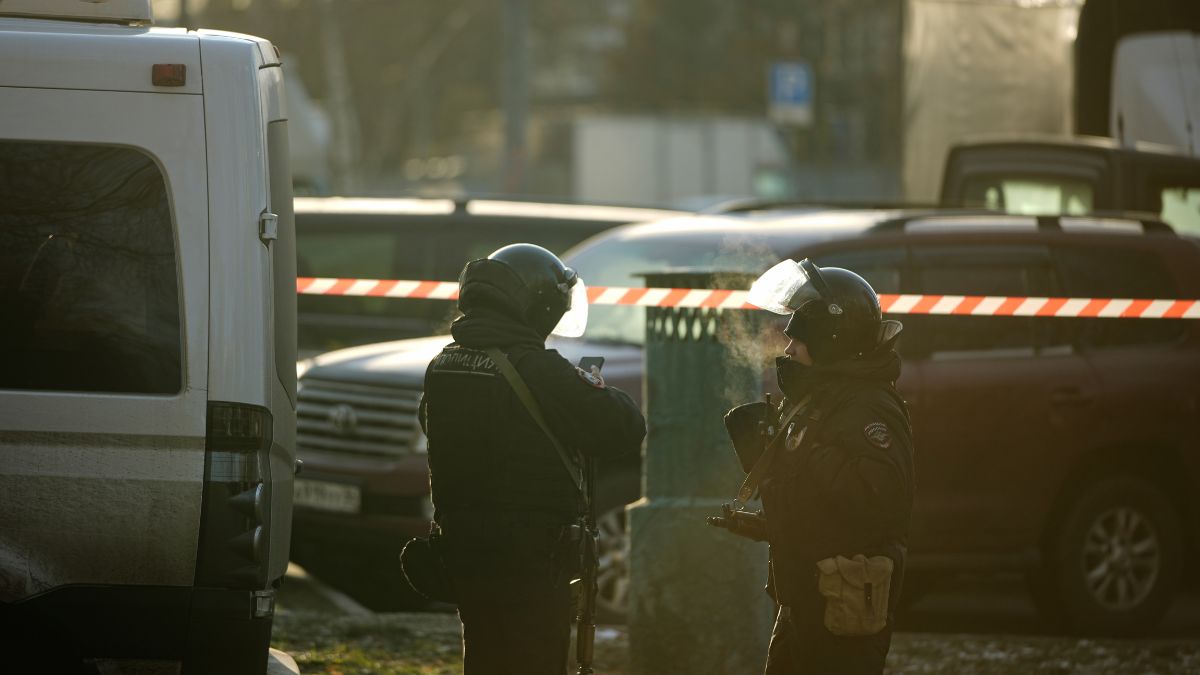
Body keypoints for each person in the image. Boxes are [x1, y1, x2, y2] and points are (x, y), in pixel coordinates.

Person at [418, 243, 646, 675]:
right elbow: (624, 426)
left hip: (464, 552)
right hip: (531, 561)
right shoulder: (537, 368)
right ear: (539, 308)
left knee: (484, 657)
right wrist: (591, 385)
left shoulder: (444, 364)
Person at [712, 258, 915, 675]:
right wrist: (768, 522)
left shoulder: (868, 405)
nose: (788, 350)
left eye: (799, 342)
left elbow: (879, 502)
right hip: (805, 597)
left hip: (842, 603)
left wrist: (805, 451)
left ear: (831, 342)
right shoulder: (824, 396)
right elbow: (822, 504)